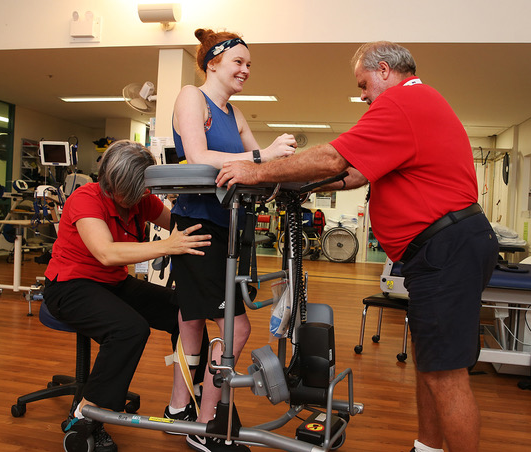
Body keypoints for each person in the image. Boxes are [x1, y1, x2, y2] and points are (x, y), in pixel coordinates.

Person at [216, 41, 499, 452]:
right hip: (442, 250)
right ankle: (427, 447)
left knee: (445, 375)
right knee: (431, 364)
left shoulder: (403, 102)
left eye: (364, 84)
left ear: (384, 70)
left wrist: (256, 171)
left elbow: (333, 159)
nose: (363, 95)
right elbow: (351, 175)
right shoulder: (418, 104)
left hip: (447, 249)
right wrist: (285, 183)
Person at [170, 28, 297, 452]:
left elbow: (258, 167)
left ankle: (177, 412)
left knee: (191, 324)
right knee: (235, 328)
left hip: (229, 227)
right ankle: (205, 426)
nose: (245, 70)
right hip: (197, 227)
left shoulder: (236, 113)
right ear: (213, 63)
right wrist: (264, 157)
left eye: (248, 65)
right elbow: (199, 156)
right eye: (238, 62)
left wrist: (284, 168)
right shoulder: (193, 96)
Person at [43, 139, 211, 452]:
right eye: (139, 189)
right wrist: (166, 246)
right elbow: (106, 253)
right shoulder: (85, 199)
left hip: (112, 283)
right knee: (129, 329)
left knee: (186, 309)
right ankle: (87, 417)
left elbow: (181, 226)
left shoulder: (140, 201)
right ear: (115, 183)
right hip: (70, 286)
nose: (145, 196)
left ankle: (189, 397)